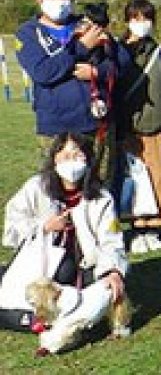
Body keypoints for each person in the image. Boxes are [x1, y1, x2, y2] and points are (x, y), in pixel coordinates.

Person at [0, 133, 127, 337]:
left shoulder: (101, 198)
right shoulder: (37, 187)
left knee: (101, 293)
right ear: (54, 159)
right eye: (65, 155)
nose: (71, 161)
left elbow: (111, 240)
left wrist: (112, 270)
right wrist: (44, 227)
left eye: (77, 155)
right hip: (41, 262)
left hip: (85, 266)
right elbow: (13, 224)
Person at [15, 0, 129, 151]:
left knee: (100, 177)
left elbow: (122, 63)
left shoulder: (87, 25)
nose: (60, 2)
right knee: (57, 178)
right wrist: (81, 47)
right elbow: (43, 72)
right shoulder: (27, 33)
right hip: (56, 127)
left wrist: (96, 72)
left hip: (96, 122)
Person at [117, 0, 161, 254]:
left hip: (159, 125)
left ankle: (154, 227)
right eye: (136, 18)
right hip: (131, 127)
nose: (141, 24)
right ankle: (136, 228)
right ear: (127, 21)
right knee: (135, 180)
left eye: (146, 19)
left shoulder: (160, 52)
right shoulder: (119, 51)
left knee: (160, 179)